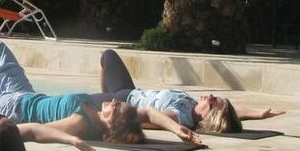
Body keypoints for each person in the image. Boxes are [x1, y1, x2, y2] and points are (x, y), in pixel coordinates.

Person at [0, 41, 148, 146]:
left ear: (111, 125)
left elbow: (37, 130)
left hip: (14, 109)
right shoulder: (94, 110)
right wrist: (175, 127)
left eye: (117, 108)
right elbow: (147, 113)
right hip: (25, 94)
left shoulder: (82, 123)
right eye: (119, 103)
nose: (114, 101)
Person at [93, 49, 286, 134]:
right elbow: (234, 112)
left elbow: (152, 119)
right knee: (107, 56)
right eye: (215, 98)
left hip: (121, 102)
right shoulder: (194, 106)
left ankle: (104, 99)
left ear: (207, 117)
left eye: (211, 103)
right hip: (129, 91)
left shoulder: (180, 116)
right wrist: (258, 114)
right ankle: (104, 94)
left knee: (73, 102)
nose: (210, 96)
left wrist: (116, 119)